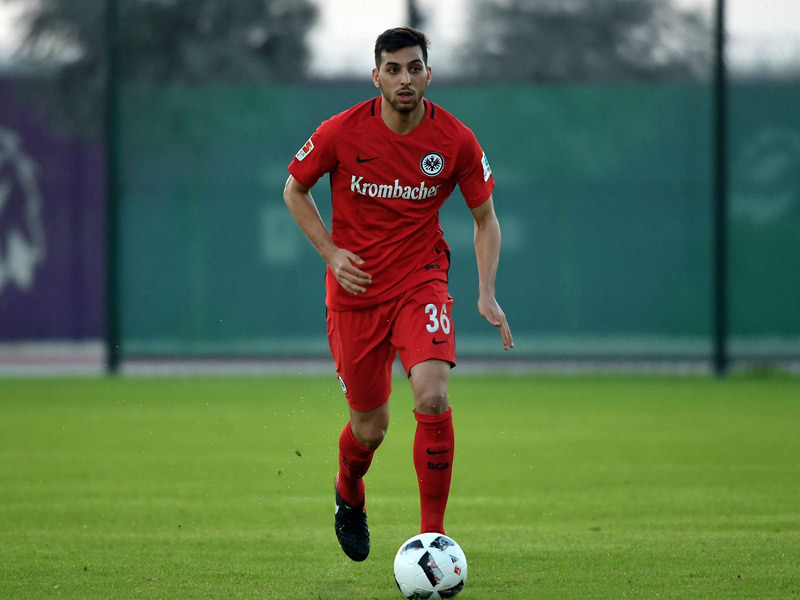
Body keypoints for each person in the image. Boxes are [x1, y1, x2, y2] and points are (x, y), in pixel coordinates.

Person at [283, 26, 513, 562]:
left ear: (428, 73)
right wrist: (332, 253)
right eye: (393, 69)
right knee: (371, 428)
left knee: (432, 396)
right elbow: (295, 188)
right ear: (377, 77)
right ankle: (348, 490)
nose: (404, 78)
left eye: (414, 67)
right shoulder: (341, 132)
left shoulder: (455, 139)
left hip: (420, 280)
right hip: (356, 292)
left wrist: (486, 293)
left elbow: (486, 219)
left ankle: (432, 537)